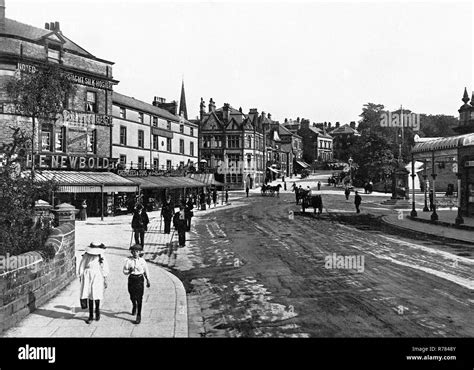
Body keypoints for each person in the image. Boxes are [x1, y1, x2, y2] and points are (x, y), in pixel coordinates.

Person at [78, 242, 109, 324]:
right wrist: (81, 276)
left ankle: (97, 311)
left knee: (96, 293)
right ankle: (91, 315)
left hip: (97, 275)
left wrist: (105, 278)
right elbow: (82, 265)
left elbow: (104, 267)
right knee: (89, 294)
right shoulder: (86, 255)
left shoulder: (101, 256)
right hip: (87, 275)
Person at [123, 244, 151, 324]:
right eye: (134, 251)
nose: (135, 253)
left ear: (139, 252)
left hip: (139, 279)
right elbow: (124, 271)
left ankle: (138, 315)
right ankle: (134, 305)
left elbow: (146, 271)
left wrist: (148, 280)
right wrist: (129, 271)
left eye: (137, 251)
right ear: (131, 252)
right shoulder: (128, 261)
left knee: (139, 297)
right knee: (132, 296)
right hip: (132, 279)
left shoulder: (142, 261)